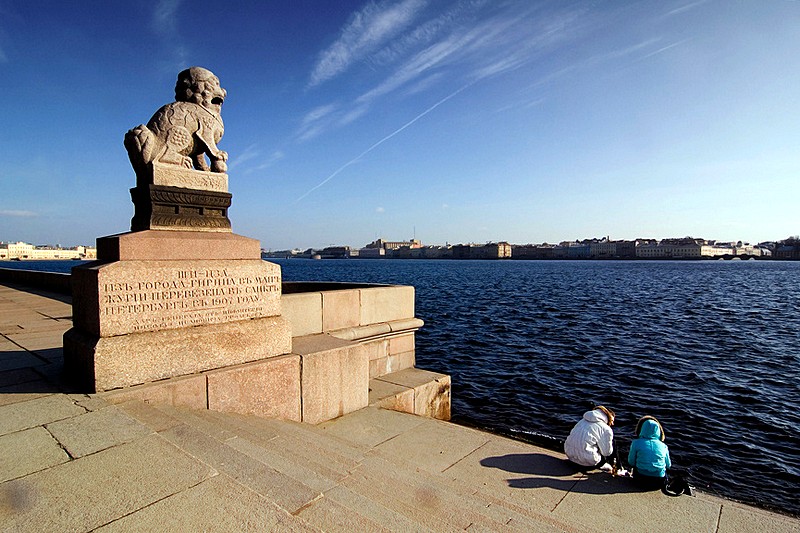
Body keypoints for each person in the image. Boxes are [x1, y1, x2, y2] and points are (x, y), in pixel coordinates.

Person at [564, 405, 615, 470]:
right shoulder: (606, 429)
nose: (612, 424)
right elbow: (607, 453)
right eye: (612, 420)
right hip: (586, 462)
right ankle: (615, 468)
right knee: (611, 444)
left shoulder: (582, 421)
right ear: (608, 417)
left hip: (569, 454)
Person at [628, 415, 671, 490]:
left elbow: (631, 462)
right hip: (659, 483)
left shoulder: (636, 443)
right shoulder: (663, 446)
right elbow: (668, 465)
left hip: (640, 481)